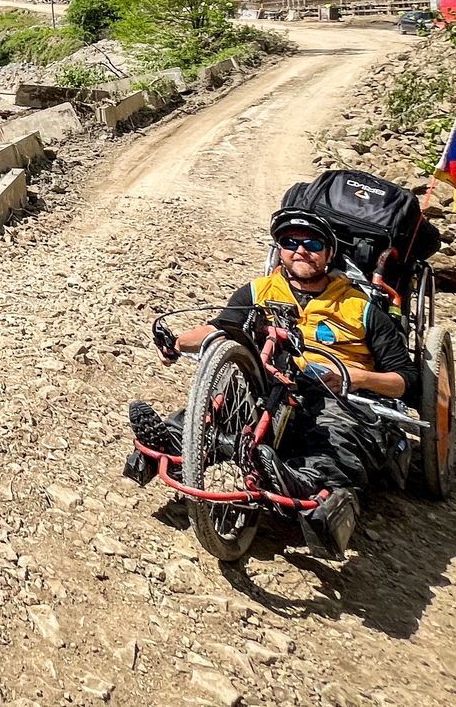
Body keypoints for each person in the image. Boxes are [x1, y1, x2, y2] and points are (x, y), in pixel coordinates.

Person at [123, 207, 419, 557]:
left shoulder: (362, 306)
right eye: (289, 242)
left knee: (335, 433)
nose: (300, 250)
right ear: (279, 248)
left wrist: (353, 377)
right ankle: (174, 439)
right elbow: (218, 330)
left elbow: (407, 381)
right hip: (269, 386)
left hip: (336, 396)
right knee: (223, 402)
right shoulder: (258, 292)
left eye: (311, 243)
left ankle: (305, 482)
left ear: (329, 253)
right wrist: (175, 342)